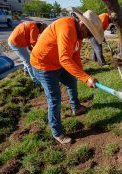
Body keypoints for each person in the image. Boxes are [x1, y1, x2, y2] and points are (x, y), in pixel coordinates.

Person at [30, 10, 104, 144]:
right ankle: (57, 133)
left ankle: (76, 108)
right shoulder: (66, 28)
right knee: (55, 99)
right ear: (82, 24)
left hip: (57, 63)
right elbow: (65, 58)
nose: (88, 36)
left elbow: (75, 55)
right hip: (43, 65)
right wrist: (86, 78)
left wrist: (83, 75)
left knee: (71, 80)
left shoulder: (78, 34)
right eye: (89, 33)